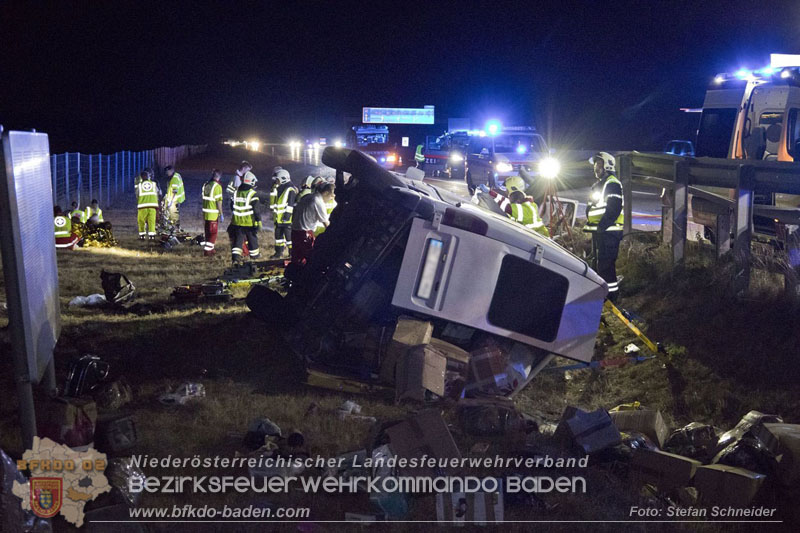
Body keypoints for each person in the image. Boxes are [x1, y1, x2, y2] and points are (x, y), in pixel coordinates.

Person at [585, 151, 624, 301]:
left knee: (606, 266)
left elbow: (614, 208)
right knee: (599, 264)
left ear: (608, 165)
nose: (596, 167)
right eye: (595, 164)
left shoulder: (612, 183)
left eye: (599, 164)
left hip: (609, 232)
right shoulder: (599, 185)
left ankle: (611, 297)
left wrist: (602, 226)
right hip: (600, 231)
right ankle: (600, 295)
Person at [479, 176, 550, 238]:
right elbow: (505, 201)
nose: (506, 193)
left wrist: (490, 195)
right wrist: (490, 192)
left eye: (507, 190)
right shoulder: (522, 204)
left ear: (513, 191)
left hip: (541, 244)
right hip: (532, 240)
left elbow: (507, 207)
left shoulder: (528, 208)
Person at [291, 181, 335, 266]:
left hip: (295, 231)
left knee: (297, 257)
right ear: (326, 193)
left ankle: (294, 274)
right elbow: (326, 224)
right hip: (305, 233)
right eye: (331, 196)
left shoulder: (308, 196)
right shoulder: (318, 201)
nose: (331, 199)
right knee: (309, 258)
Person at [229, 172, 261, 264]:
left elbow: (232, 206)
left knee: (238, 240)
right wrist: (258, 220)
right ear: (251, 182)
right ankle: (254, 256)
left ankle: (235, 258)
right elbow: (256, 209)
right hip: (249, 222)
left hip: (237, 222)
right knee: (252, 239)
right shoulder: (252, 194)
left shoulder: (236, 192)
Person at [270, 169, 297, 258]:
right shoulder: (280, 188)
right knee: (278, 237)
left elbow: (290, 204)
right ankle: (278, 253)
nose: (276, 181)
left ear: (283, 178)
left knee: (289, 239)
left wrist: (287, 216)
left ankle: (292, 253)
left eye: (278, 179)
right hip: (279, 218)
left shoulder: (290, 189)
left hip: (286, 219)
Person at [201, 169, 224, 256]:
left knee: (207, 232)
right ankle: (208, 251)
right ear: (219, 176)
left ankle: (211, 249)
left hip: (205, 213)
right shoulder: (217, 186)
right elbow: (219, 202)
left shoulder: (206, 184)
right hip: (213, 214)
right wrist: (221, 214)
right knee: (213, 234)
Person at [136, 170, 159, 240]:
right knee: (152, 220)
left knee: (141, 221)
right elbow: (157, 193)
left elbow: (137, 195)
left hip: (142, 206)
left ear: (141, 177)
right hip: (153, 206)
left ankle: (142, 235)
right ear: (148, 177)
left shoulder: (139, 185)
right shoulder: (153, 184)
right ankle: (152, 236)